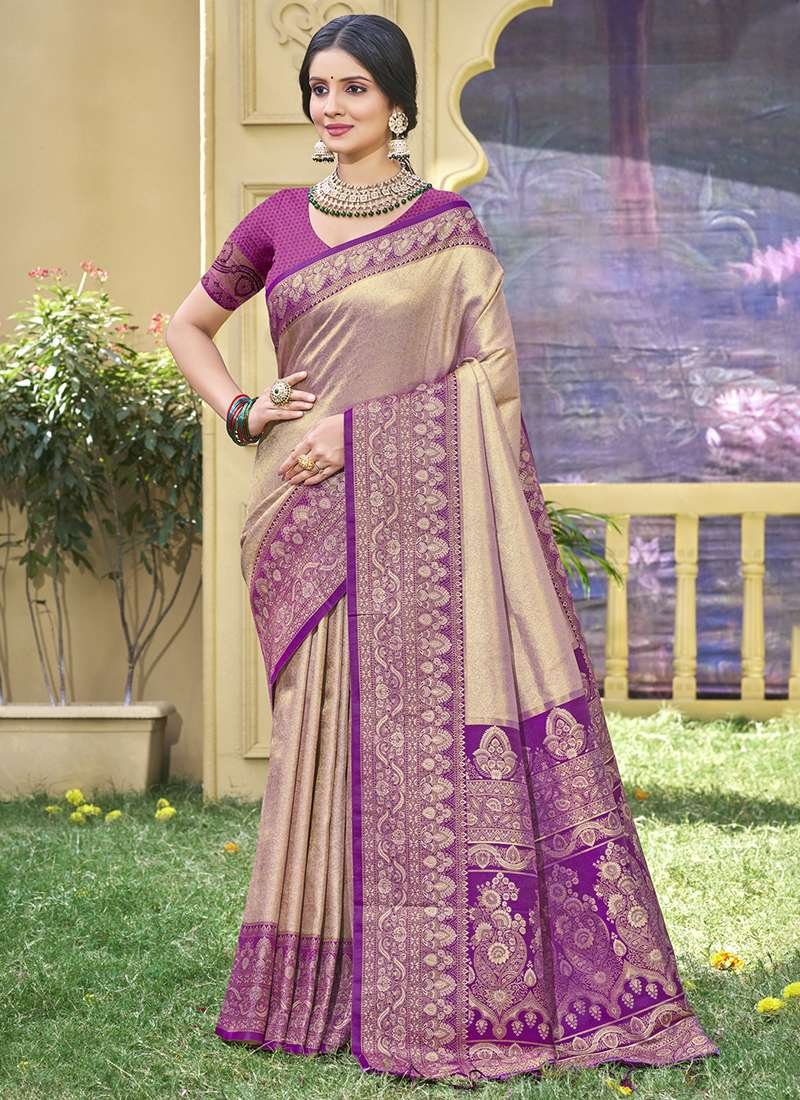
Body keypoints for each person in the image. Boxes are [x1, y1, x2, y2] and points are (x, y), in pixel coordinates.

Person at [166, 12, 719, 1087]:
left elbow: (490, 387)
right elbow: (185, 325)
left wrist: (359, 434)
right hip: (302, 515)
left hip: (421, 520)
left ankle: (437, 978)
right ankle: (314, 985)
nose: (332, 106)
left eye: (354, 89)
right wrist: (242, 410)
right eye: (318, 88)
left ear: (397, 102)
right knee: (321, 738)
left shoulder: (447, 228)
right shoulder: (274, 222)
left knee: (422, 743)